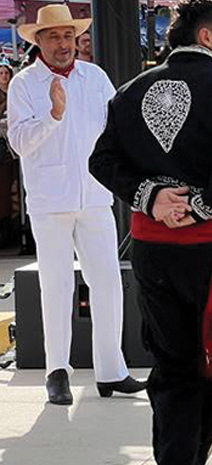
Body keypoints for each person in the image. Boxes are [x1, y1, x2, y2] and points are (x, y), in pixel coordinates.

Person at [88, 1, 212, 465]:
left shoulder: (129, 91)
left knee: (173, 369)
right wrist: (204, 203)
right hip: (211, 248)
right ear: (208, 36)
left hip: (152, 248)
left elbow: (101, 160)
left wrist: (151, 196)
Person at [8, 4, 146, 406]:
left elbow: (115, 130)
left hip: (95, 196)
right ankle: (57, 370)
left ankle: (111, 370)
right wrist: (53, 116)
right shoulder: (24, 83)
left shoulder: (95, 77)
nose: (63, 43)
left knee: (108, 282)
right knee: (56, 286)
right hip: (50, 198)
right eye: (54, 36)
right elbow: (18, 142)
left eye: (68, 35)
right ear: (38, 41)